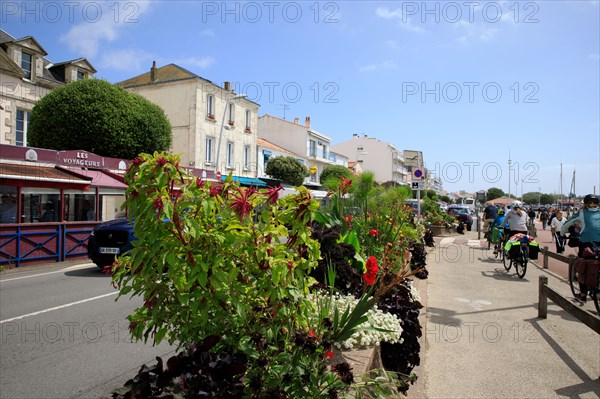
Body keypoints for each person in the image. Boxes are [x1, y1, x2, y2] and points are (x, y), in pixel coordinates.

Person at [561, 194, 600, 301]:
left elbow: (566, 224)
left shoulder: (582, 212)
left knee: (583, 266)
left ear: (586, 203)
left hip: (587, 243)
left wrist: (561, 233)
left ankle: (583, 295)